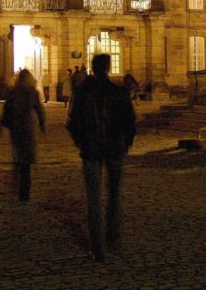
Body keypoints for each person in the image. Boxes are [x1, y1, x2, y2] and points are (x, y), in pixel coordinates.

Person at [67, 54, 136, 261]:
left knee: (94, 198)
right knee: (114, 194)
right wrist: (126, 144)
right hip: (115, 148)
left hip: (91, 150)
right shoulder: (119, 92)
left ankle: (98, 247)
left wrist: (81, 142)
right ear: (108, 68)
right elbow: (130, 123)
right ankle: (113, 236)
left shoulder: (83, 94)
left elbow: (72, 123)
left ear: (93, 68)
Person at [0, 69, 46, 202]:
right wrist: (42, 125)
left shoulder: (13, 91)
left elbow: (6, 109)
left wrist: (0, 125)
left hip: (15, 126)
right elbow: (39, 110)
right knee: (26, 159)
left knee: (18, 152)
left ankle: (16, 179)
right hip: (27, 125)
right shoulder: (32, 91)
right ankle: (24, 192)